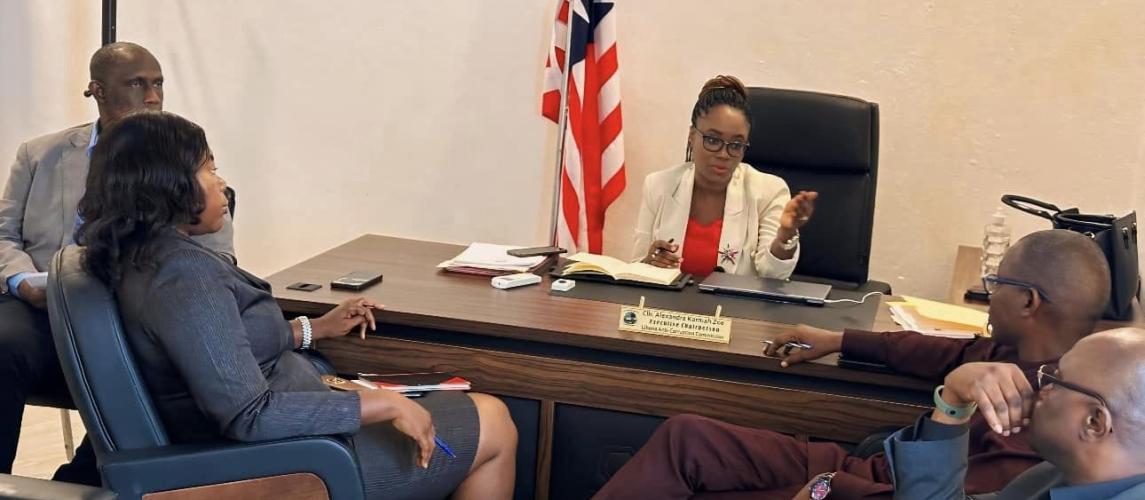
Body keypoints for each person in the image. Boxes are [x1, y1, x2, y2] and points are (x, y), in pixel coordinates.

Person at [76, 110, 518, 500]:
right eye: (210, 169)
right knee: (493, 422)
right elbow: (248, 415)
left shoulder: (140, 257)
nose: (222, 182)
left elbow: (213, 347)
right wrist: (385, 407)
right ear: (169, 184)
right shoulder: (182, 275)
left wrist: (315, 329)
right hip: (291, 463)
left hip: (291, 438)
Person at [595, 229, 1111, 499]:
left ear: (1029, 303)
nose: (987, 295)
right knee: (688, 438)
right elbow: (937, 351)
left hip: (872, 488)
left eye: (998, 286)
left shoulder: (1051, 412)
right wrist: (836, 338)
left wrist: (833, 488)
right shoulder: (1004, 351)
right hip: (865, 465)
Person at [0, 41, 234, 484]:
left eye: (158, 84)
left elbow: (218, 257)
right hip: (40, 305)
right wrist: (21, 282)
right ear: (98, 91)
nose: (152, 96)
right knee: (1, 343)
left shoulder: (183, 161)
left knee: (150, 366)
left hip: (126, 312)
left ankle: (81, 484)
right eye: (137, 84)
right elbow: (3, 234)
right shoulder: (39, 154)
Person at [884, 328, 1145, 499]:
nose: (1041, 389)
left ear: (1095, 422)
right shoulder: (1057, 475)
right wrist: (953, 401)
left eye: (1057, 381)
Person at [632, 75, 817, 280]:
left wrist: (785, 234)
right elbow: (635, 268)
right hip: (668, 310)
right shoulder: (658, 186)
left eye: (736, 145)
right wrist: (649, 263)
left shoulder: (769, 191)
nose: (723, 154)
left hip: (735, 309)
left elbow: (773, 275)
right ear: (692, 136)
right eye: (712, 140)